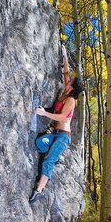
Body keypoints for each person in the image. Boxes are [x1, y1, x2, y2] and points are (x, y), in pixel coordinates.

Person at [29, 45, 84, 203]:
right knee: (40, 144)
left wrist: (44, 113)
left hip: (63, 137)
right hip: (54, 134)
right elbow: (66, 72)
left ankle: (39, 190)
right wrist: (65, 56)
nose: (67, 82)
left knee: (48, 160)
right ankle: (49, 166)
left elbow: (62, 118)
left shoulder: (70, 100)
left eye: (70, 82)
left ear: (72, 88)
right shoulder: (66, 91)